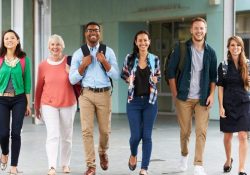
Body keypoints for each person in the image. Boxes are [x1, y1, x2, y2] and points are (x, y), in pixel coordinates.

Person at [167, 17, 217, 175]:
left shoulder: (211, 52)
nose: (199, 31)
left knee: (201, 131)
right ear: (191, 30)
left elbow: (213, 77)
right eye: (196, 28)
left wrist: (211, 95)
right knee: (185, 131)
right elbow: (170, 72)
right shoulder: (181, 48)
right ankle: (184, 155)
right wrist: (175, 95)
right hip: (184, 97)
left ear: (205, 30)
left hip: (202, 98)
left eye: (202, 28)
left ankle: (198, 164)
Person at [69, 21, 119, 175]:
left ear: (100, 33)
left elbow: (117, 75)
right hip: (86, 95)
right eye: (90, 30)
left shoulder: (108, 51)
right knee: (86, 131)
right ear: (85, 33)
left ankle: (103, 152)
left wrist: (104, 62)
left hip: (104, 93)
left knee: (105, 131)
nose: (93, 32)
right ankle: (91, 165)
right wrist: (83, 66)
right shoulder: (79, 53)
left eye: (96, 30)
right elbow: (72, 79)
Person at [34, 34, 77, 175]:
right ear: (48, 47)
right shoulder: (43, 65)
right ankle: (52, 166)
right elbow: (39, 87)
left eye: (58, 44)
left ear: (62, 47)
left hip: (68, 103)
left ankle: (65, 164)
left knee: (66, 136)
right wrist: (37, 107)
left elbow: (78, 81)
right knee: (52, 135)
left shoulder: (70, 62)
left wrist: (71, 73)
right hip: (49, 104)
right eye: (52, 44)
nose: (55, 47)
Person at [121, 30, 161, 175]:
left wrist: (157, 79)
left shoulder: (154, 59)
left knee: (147, 136)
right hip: (134, 102)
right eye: (140, 40)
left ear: (149, 42)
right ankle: (133, 154)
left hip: (150, 101)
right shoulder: (130, 58)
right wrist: (129, 80)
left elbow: (158, 76)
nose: (143, 43)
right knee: (136, 136)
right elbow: (123, 74)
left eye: (145, 40)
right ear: (136, 42)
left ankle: (144, 168)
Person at [217, 36, 250, 175]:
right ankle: (228, 159)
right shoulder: (223, 65)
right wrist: (220, 106)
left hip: (244, 103)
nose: (235, 47)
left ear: (242, 47)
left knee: (243, 136)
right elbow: (220, 87)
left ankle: (241, 168)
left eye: (238, 45)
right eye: (232, 45)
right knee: (228, 137)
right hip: (228, 104)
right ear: (228, 48)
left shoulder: (248, 64)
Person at [0, 29, 31, 175]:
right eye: (6, 38)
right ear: (3, 42)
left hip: (19, 99)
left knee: (16, 133)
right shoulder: (0, 59)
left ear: (17, 41)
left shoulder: (24, 60)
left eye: (12, 38)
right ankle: (5, 152)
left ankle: (13, 167)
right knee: (3, 133)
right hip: (1, 99)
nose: (9, 40)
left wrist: (28, 104)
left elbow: (27, 83)